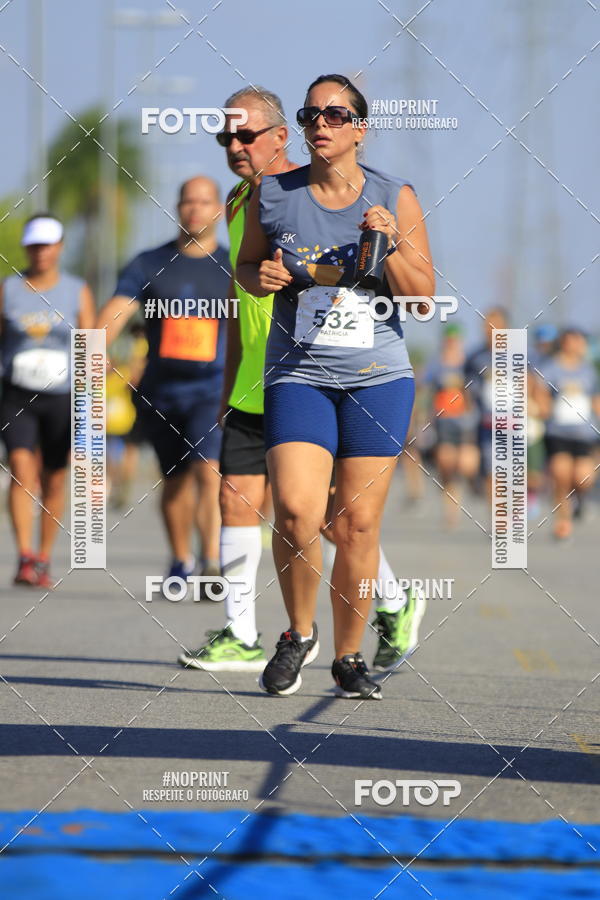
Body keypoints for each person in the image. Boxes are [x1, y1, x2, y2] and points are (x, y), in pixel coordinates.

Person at [236, 73, 435, 699]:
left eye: (336, 114)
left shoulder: (394, 195)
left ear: (359, 128)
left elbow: (423, 295)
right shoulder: (271, 194)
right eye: (310, 114)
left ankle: (349, 656)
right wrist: (261, 276)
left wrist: (392, 240)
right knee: (296, 511)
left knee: (355, 526)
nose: (321, 123)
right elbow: (246, 266)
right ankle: (299, 633)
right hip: (299, 372)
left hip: (378, 378)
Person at [96, 177, 228, 584]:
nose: (195, 209)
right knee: (174, 481)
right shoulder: (148, 263)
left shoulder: (234, 264)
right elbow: (118, 310)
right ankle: (180, 558)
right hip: (160, 392)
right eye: (188, 201)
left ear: (218, 209)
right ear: (177, 206)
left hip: (212, 389)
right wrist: (94, 348)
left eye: (204, 202)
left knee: (209, 471)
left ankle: (210, 560)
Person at [0, 213, 96, 586]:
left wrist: (89, 406)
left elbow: (90, 346)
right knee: (22, 471)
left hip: (63, 396)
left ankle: (42, 557)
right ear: (27, 247)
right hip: (17, 395)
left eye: (48, 244)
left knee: (54, 479)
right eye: (35, 245)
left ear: (59, 248)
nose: (41, 252)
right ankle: (24, 556)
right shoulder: (9, 289)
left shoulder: (76, 290)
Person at [537, 327, 600, 539]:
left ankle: (579, 499)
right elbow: (541, 394)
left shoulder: (588, 371)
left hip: (584, 434)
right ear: (565, 343)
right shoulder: (551, 369)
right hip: (558, 432)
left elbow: (595, 399)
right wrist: (542, 407)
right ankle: (563, 522)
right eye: (575, 341)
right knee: (560, 474)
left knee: (583, 478)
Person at [422, 323, 479, 529]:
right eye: (449, 339)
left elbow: (476, 391)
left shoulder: (469, 363)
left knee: (465, 464)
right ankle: (451, 512)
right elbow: (426, 390)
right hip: (443, 423)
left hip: (466, 422)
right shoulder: (436, 364)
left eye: (456, 339)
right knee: (446, 465)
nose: (452, 343)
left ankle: (474, 484)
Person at [465, 307, 509, 501]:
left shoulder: (522, 354)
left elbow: (533, 384)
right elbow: (467, 389)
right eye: (487, 326)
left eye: (496, 325)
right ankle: (499, 522)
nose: (490, 330)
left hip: (516, 424)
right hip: (487, 424)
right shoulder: (475, 358)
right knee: (494, 471)